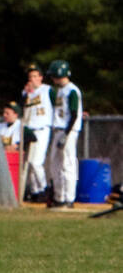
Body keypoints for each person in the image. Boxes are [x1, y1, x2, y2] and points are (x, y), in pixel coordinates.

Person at [45, 59, 83, 209]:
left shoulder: (72, 90)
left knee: (68, 164)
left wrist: (67, 134)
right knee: (55, 164)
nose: (53, 79)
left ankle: (69, 198)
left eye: (54, 75)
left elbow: (74, 114)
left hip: (68, 130)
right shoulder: (60, 90)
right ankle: (59, 196)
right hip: (58, 129)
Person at [21, 64, 53, 202]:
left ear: (41, 77)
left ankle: (45, 188)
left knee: (36, 162)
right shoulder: (27, 92)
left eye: (35, 76)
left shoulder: (47, 90)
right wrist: (26, 93)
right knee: (28, 162)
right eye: (30, 77)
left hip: (42, 128)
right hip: (29, 129)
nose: (32, 79)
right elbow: (21, 108)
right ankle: (35, 191)